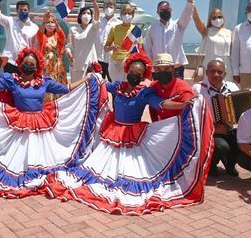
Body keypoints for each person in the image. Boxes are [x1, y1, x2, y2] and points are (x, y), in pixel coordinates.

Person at [48, 52, 214, 215]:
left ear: (143, 75)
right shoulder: (118, 86)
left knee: (129, 173)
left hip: (132, 135)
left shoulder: (144, 92)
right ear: (127, 71)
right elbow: (102, 85)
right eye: (132, 72)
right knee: (96, 171)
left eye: (138, 74)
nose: (134, 75)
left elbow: (162, 103)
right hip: (113, 133)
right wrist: (94, 75)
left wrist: (182, 104)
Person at [0, 47, 102, 200]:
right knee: (18, 159)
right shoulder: (12, 80)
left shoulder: (44, 81)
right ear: (21, 64)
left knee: (42, 156)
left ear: (37, 65)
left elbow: (66, 89)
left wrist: (86, 79)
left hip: (41, 121)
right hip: (19, 121)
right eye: (26, 63)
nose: (28, 65)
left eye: (32, 64)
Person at [192, 59, 240, 177]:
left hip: (230, 128)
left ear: (225, 74)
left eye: (219, 72)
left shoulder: (232, 87)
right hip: (209, 130)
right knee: (221, 146)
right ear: (207, 72)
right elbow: (192, 116)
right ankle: (211, 165)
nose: (216, 75)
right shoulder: (197, 89)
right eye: (212, 71)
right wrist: (213, 129)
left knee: (245, 140)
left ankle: (230, 164)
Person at [144, 0, 194, 79]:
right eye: (162, 11)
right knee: (158, 93)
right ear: (157, 12)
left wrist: (189, 0)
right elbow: (148, 48)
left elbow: (187, 14)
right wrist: (152, 66)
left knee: (177, 92)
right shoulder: (152, 28)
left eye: (167, 10)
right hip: (159, 68)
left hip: (176, 68)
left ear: (171, 11)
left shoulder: (178, 25)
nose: (165, 12)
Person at [0, 0, 39, 73]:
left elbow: (35, 46)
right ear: (17, 11)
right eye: (20, 10)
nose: (23, 12)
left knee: (23, 84)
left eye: (25, 10)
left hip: (25, 63)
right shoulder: (10, 21)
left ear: (28, 11)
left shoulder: (34, 27)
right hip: (10, 61)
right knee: (9, 83)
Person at [67, 0, 101, 82]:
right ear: (80, 16)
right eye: (84, 13)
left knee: (90, 90)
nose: (87, 15)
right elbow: (68, 46)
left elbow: (97, 14)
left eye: (89, 13)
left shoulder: (93, 27)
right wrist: (69, 54)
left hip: (90, 63)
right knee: (76, 89)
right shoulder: (73, 29)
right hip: (76, 64)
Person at [149, 53, 196, 121]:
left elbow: (188, 116)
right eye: (159, 69)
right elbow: (152, 108)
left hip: (179, 126)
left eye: (166, 68)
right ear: (154, 70)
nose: (163, 72)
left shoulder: (184, 89)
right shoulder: (153, 86)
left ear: (173, 69)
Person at [192, 6, 233, 78]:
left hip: (226, 63)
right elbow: (196, 19)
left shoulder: (229, 32)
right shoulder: (206, 31)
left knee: (226, 86)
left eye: (220, 17)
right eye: (214, 17)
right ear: (210, 19)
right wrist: (192, 5)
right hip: (210, 62)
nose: (217, 19)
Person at [104, 4, 142, 81]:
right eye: (124, 13)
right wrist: (111, 47)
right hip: (115, 62)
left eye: (129, 13)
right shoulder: (114, 28)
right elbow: (106, 48)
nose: (126, 15)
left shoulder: (136, 30)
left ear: (133, 15)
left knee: (127, 85)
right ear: (121, 15)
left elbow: (140, 49)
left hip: (130, 63)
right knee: (115, 85)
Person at [37, 10, 67, 87]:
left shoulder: (58, 36)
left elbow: (63, 37)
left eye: (52, 22)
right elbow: (39, 34)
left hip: (57, 66)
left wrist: (56, 23)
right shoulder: (43, 37)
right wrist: (44, 21)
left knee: (58, 87)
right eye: (48, 22)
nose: (50, 24)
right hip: (46, 66)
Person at [96, 0, 121, 81]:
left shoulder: (119, 23)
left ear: (114, 9)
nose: (108, 8)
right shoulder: (99, 22)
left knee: (113, 81)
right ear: (103, 9)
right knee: (98, 83)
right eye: (106, 7)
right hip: (99, 57)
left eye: (111, 7)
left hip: (113, 58)